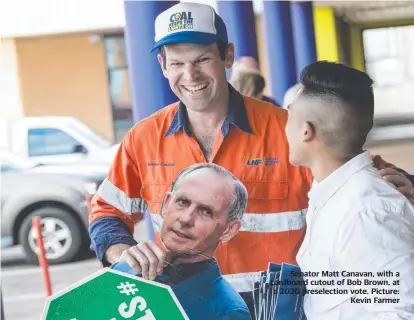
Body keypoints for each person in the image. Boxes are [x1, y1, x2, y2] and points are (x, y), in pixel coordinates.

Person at [89, 3, 414, 317]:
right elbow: (107, 211)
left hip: (282, 310)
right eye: (176, 63)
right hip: (186, 309)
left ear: (227, 55)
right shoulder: (142, 139)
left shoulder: (286, 129)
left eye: (202, 59)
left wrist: (406, 186)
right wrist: (122, 253)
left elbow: (354, 173)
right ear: (162, 64)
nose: (189, 75)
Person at [285, 61, 414, 319]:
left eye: (288, 118)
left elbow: (400, 312)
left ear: (306, 132)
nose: (284, 128)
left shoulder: (364, 211)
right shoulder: (333, 193)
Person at [112, 163, 251, 319]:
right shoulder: (124, 269)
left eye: (206, 211)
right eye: (183, 202)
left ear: (229, 230)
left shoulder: (226, 311)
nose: (186, 219)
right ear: (166, 204)